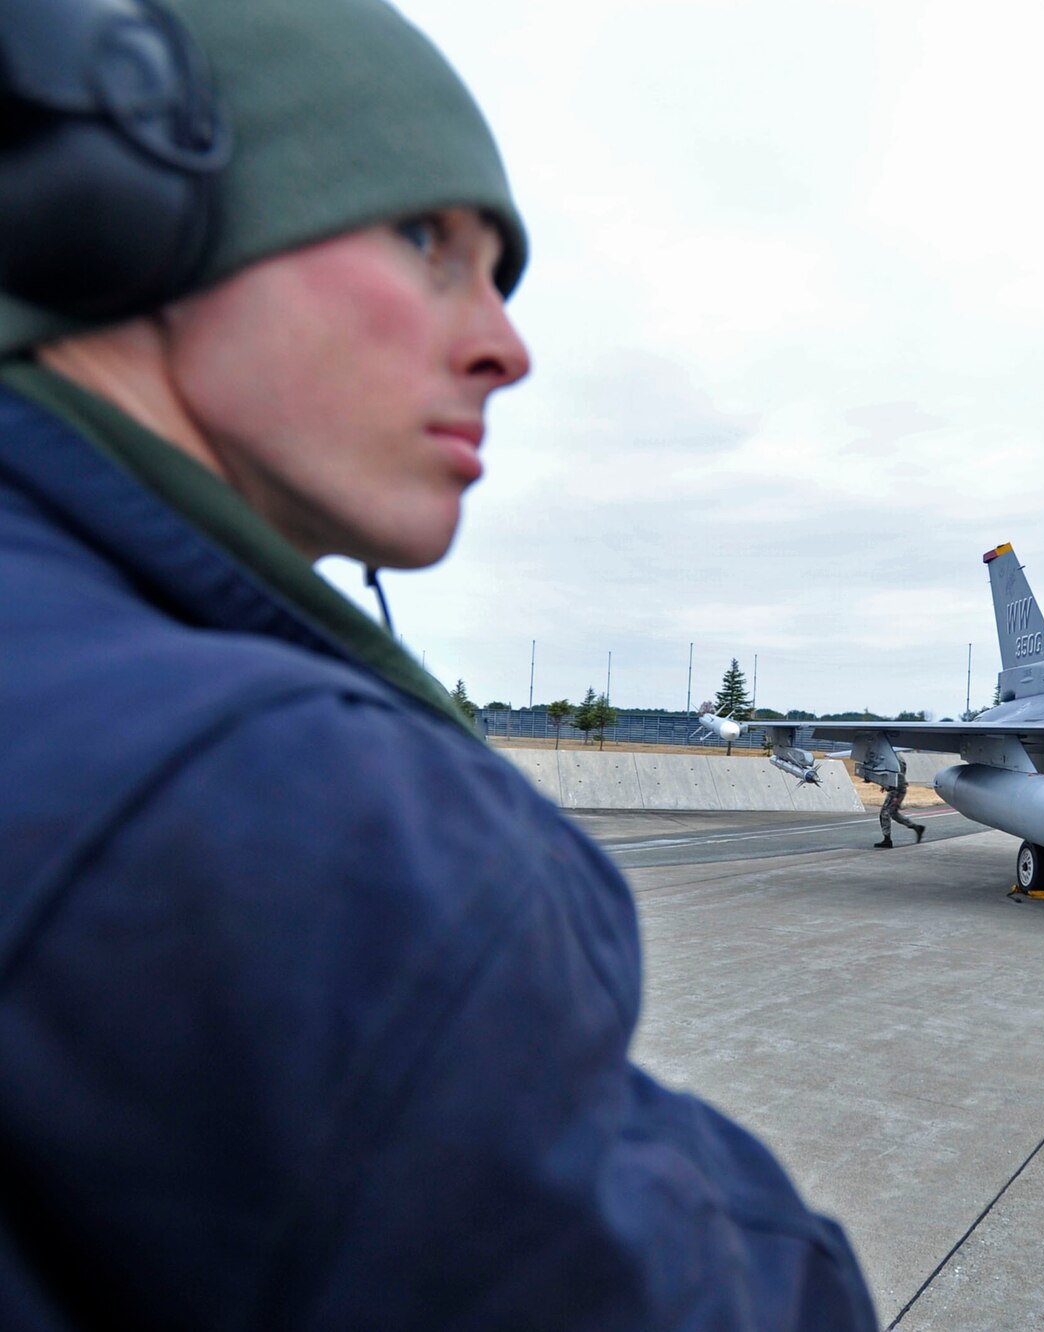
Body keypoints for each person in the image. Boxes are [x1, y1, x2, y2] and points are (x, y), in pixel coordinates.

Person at [0, 2, 875, 1327]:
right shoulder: (266, 792)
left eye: (502, 277)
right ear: (121, 216)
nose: (506, 349)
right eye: (427, 242)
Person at [874, 752, 925, 848]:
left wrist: (897, 796)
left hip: (897, 789)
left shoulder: (893, 758)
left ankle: (887, 840)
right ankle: (916, 827)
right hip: (897, 788)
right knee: (893, 813)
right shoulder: (896, 756)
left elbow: (899, 776)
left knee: (884, 813)